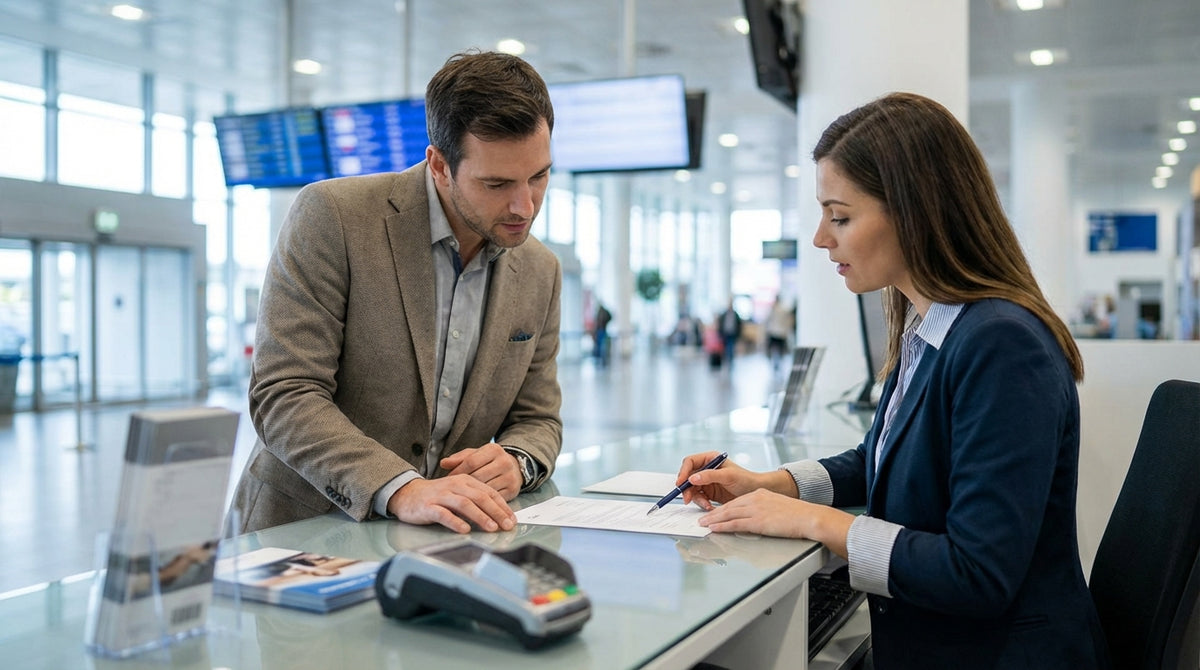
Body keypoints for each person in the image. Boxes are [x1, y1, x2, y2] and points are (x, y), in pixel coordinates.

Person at [674, 93, 1110, 668]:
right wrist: (773, 484)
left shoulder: (1002, 344)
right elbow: (878, 459)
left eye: (841, 216)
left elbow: (978, 574)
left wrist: (812, 521)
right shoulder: (931, 327)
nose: (821, 239)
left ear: (915, 210)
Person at [232, 50, 563, 536]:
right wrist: (400, 486)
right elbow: (285, 393)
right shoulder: (334, 217)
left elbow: (539, 418)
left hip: (437, 544)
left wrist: (517, 460)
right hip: (302, 532)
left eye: (539, 176)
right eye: (496, 183)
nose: (524, 206)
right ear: (439, 165)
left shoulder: (540, 269)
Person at [763, 295, 793, 370]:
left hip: (774, 332)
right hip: (781, 333)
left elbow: (767, 320)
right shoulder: (783, 309)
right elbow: (787, 321)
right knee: (780, 349)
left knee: (774, 349)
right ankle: (778, 362)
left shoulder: (773, 309)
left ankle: (776, 362)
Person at [717, 301, 743, 367]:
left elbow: (739, 324)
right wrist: (720, 332)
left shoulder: (735, 314)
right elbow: (720, 323)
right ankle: (727, 358)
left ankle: (730, 359)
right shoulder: (724, 314)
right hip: (725, 333)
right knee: (726, 347)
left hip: (733, 333)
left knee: (731, 346)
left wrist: (739, 333)